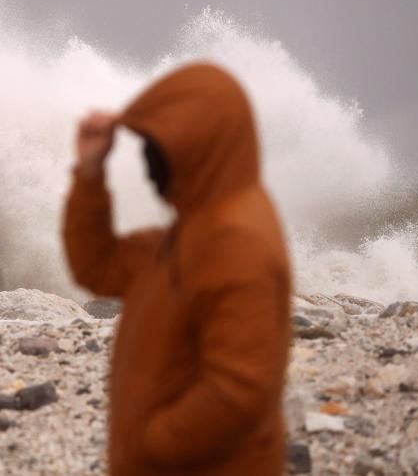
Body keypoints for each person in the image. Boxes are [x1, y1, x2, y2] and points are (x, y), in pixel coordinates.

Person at [63, 63, 293, 476]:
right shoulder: (190, 232)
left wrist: (152, 445)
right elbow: (97, 267)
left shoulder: (236, 242)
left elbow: (239, 391)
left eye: (156, 143)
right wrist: (91, 173)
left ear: (198, 144)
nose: (149, 157)